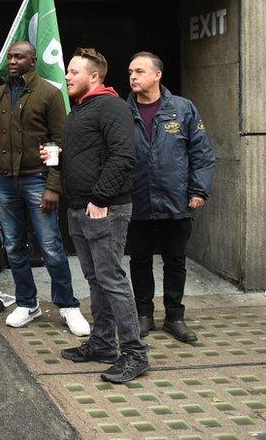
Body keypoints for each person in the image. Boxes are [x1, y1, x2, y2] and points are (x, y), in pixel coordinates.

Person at [0, 40, 89, 336]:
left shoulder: (49, 94)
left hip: (37, 180)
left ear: (32, 61)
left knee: (51, 247)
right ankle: (27, 303)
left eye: (18, 56)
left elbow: (60, 142)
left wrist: (54, 186)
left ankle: (68, 306)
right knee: (13, 246)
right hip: (5, 181)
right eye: (10, 56)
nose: (11, 61)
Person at [49, 47, 149, 384]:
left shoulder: (112, 106)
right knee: (96, 280)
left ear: (94, 77)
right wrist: (59, 157)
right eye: (67, 71)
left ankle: (135, 354)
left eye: (73, 72)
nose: (67, 76)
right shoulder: (80, 110)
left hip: (105, 208)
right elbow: (91, 156)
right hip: (79, 209)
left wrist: (101, 197)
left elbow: (122, 156)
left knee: (111, 280)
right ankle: (104, 343)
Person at [125, 52, 215, 343]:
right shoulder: (122, 112)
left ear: (157, 75)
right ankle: (143, 315)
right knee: (139, 260)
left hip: (176, 202)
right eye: (130, 72)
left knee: (175, 261)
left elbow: (202, 154)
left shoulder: (183, 108)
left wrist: (198, 191)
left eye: (139, 71)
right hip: (136, 201)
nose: (133, 77)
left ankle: (174, 317)